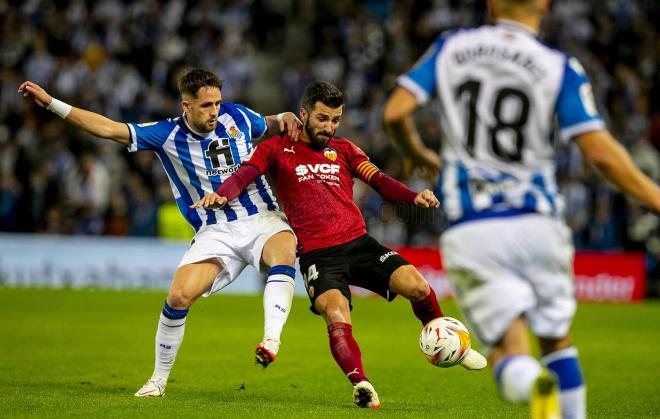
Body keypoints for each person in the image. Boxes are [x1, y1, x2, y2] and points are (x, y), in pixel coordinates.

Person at [382, 1, 660, 418]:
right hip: (540, 223)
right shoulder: (558, 65)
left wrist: (416, 152)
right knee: (557, 342)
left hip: (474, 227)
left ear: (492, 3)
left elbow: (395, 112)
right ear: (545, 4)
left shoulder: (452, 47)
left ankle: (532, 382)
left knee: (511, 353)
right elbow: (600, 152)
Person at [192, 81, 486, 409]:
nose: (329, 127)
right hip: (319, 255)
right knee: (336, 315)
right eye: (322, 119)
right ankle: (361, 382)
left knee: (417, 286)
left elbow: (379, 180)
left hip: (359, 244)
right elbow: (246, 173)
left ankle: (451, 342)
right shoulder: (277, 148)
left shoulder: (344, 150)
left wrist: (413, 196)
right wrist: (224, 193)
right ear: (303, 114)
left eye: (335, 120)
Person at [19, 68, 304, 397]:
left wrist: (285, 115)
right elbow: (108, 128)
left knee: (284, 251)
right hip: (215, 230)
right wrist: (51, 103)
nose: (215, 111)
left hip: (262, 217)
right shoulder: (166, 134)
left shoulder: (236, 115)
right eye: (206, 106)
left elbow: (270, 123)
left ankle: (271, 338)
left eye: (217, 103)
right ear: (186, 105)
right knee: (178, 296)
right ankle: (158, 379)